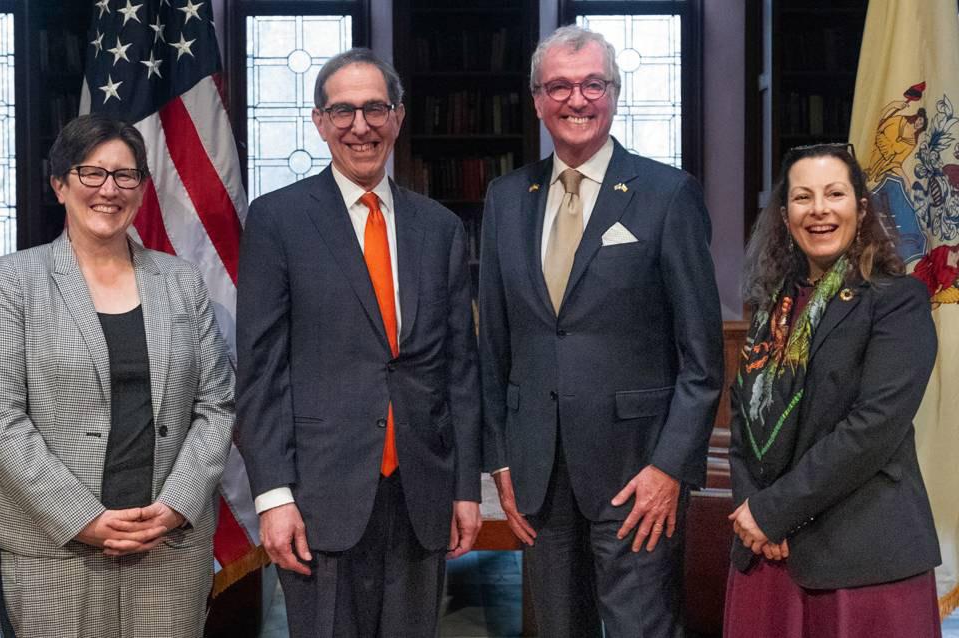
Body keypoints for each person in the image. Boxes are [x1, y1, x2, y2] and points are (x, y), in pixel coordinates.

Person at [477, 25, 723, 637]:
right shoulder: (506, 197)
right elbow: (495, 345)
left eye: (592, 84)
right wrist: (501, 460)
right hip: (538, 471)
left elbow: (702, 358)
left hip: (637, 473)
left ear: (614, 93)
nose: (576, 100)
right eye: (560, 86)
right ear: (537, 98)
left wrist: (671, 468)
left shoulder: (667, 195)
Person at [236, 48, 482, 636]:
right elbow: (261, 372)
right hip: (318, 497)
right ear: (319, 122)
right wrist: (272, 495)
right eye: (342, 111)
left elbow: (460, 372)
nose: (360, 126)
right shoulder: (278, 221)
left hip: (421, 495)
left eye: (375, 109)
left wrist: (464, 487)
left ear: (397, 117)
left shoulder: (440, 229)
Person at [0, 114, 235, 637]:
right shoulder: (16, 279)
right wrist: (78, 516)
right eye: (92, 174)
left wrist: (177, 505)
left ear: (141, 189)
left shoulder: (180, 282)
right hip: (52, 548)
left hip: (167, 547)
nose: (109, 189)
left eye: (125, 175)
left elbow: (216, 405)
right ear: (60, 184)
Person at [723, 143, 942, 637]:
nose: (819, 209)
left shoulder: (897, 301)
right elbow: (742, 420)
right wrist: (754, 510)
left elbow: (872, 428)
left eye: (834, 194)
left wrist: (773, 511)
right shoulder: (770, 310)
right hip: (767, 555)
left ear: (861, 208)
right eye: (803, 197)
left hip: (861, 560)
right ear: (785, 215)